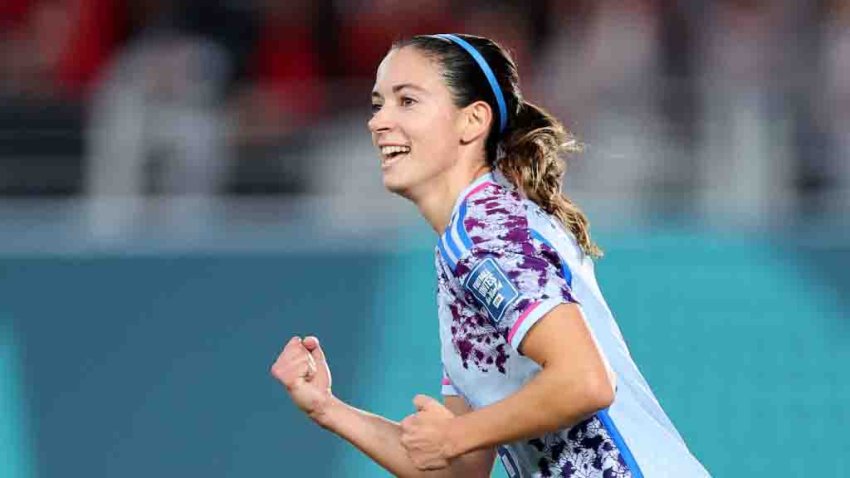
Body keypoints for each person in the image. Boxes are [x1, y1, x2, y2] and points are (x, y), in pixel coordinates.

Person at [271, 33, 710, 477]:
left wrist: (454, 436)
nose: (378, 122)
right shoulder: (468, 239)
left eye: (406, 101)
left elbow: (585, 381)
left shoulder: (484, 232)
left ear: (472, 121)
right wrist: (328, 409)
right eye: (377, 103)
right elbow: (460, 469)